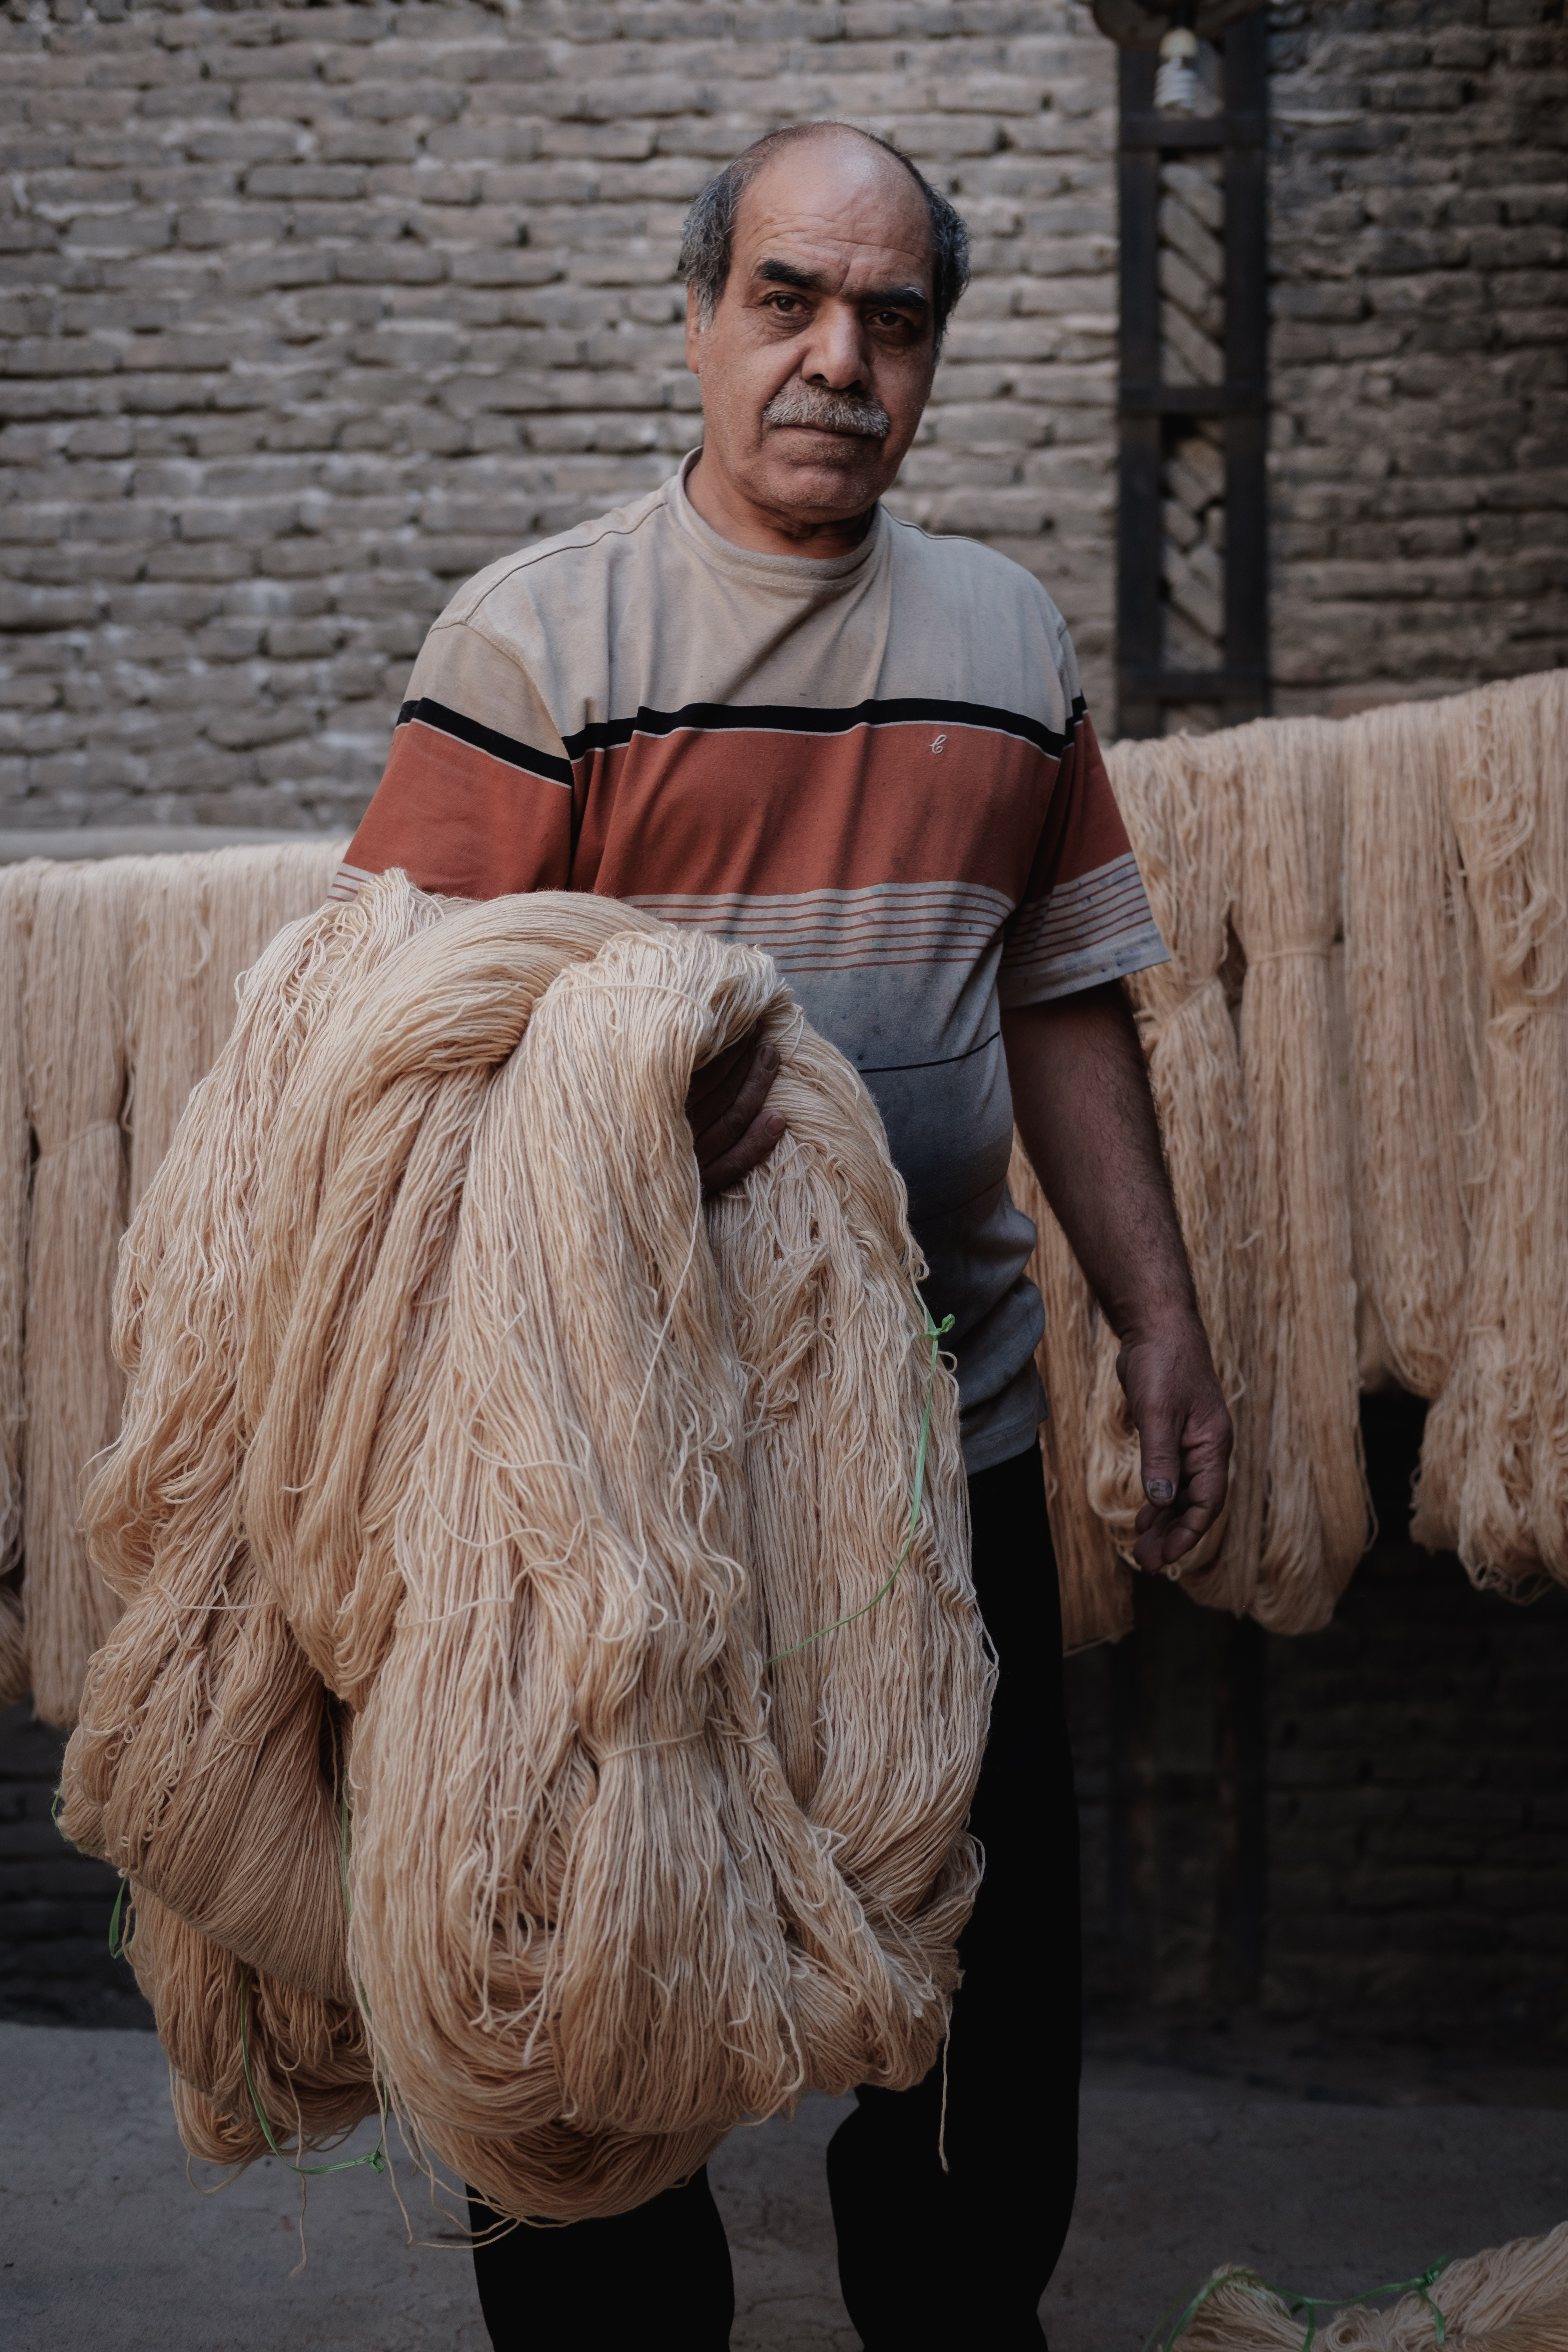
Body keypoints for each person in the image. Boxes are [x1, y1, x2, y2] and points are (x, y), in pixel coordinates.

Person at [331, 119, 1232, 2352]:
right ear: (703, 317)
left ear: (930, 356)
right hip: (601, 1477)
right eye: (788, 302)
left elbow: (1061, 1006)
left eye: (891, 319)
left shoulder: (1010, 646)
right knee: (585, 1993)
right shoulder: (540, 642)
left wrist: (1165, 1319)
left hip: (942, 1451)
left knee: (978, 2010)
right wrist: (609, 1083)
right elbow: (372, 1060)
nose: (838, 358)